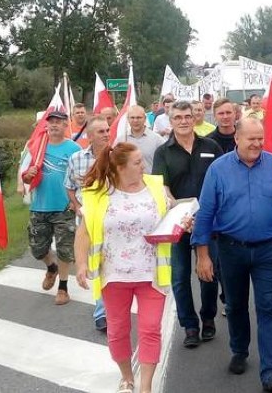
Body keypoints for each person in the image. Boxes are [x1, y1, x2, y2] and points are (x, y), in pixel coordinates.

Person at [193, 117, 272, 392]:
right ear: (237, 139)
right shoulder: (218, 169)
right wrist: (202, 255)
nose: (257, 144)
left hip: (268, 251)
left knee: (267, 306)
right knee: (236, 305)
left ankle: (270, 371)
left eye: (260, 138)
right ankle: (239, 350)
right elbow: (205, 213)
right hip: (230, 250)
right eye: (251, 138)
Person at [74, 143, 177, 393]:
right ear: (120, 168)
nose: (144, 166)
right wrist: (80, 264)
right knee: (118, 331)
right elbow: (84, 232)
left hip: (151, 274)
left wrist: (183, 220)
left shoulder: (155, 187)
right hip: (113, 276)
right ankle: (127, 378)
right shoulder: (98, 193)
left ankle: (145, 387)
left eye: (142, 160)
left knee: (150, 329)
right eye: (137, 162)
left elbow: (174, 213)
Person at [152, 100, 223, 348]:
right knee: (180, 277)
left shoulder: (211, 146)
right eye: (177, 117)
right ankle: (190, 326)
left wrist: (205, 215)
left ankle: (208, 318)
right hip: (178, 222)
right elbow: (162, 187)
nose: (183, 121)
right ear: (170, 121)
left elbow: (222, 181)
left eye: (187, 116)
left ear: (194, 119)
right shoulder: (163, 152)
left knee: (209, 273)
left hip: (208, 221)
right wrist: (178, 209)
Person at [22, 109, 83, 306]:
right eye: (51, 121)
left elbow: (81, 178)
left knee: (65, 249)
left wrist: (76, 203)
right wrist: (28, 175)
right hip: (39, 206)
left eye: (59, 121)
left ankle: (63, 287)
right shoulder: (36, 147)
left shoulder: (74, 149)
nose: (55, 124)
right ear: (46, 124)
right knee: (37, 249)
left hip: (64, 207)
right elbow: (24, 176)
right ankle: (51, 267)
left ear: (67, 125)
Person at [65, 116, 111, 331]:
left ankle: (108, 309)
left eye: (107, 130)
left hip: (111, 219)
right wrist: (76, 206)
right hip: (87, 220)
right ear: (89, 136)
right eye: (100, 131)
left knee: (108, 263)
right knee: (94, 264)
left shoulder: (117, 157)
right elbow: (70, 186)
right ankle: (101, 312)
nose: (106, 134)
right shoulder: (76, 158)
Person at [126, 105, 164, 174]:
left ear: (145, 118)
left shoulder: (157, 140)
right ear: (128, 119)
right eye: (132, 117)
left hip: (151, 183)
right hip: (128, 183)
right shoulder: (121, 140)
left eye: (139, 117)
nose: (135, 120)